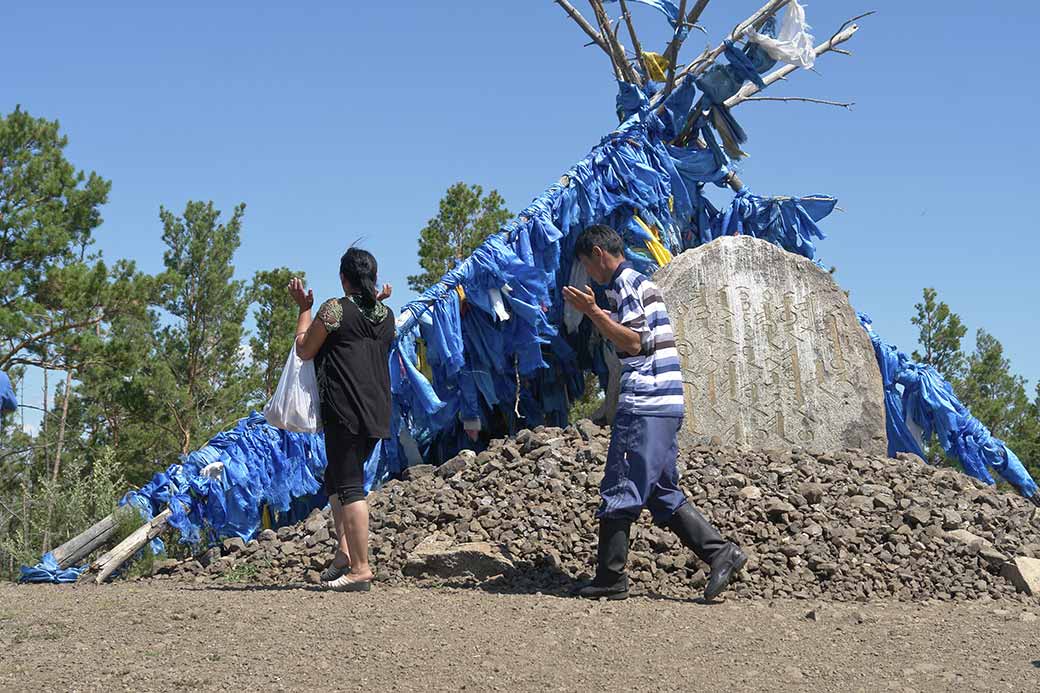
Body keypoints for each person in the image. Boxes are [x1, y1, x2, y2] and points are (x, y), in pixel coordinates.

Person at [563, 224, 747, 601]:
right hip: (666, 405)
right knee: (661, 490)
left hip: (645, 403)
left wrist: (593, 311)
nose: (588, 276)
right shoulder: (639, 285)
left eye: (586, 265)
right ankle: (720, 552)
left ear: (599, 254)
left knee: (621, 483)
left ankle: (610, 577)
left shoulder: (626, 285)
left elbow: (634, 342)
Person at [289, 247, 394, 592]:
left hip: (345, 409)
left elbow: (305, 349)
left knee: (350, 488)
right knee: (335, 479)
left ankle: (362, 569)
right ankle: (344, 553)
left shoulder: (334, 309)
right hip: (377, 408)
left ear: (343, 278)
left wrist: (304, 310)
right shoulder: (387, 315)